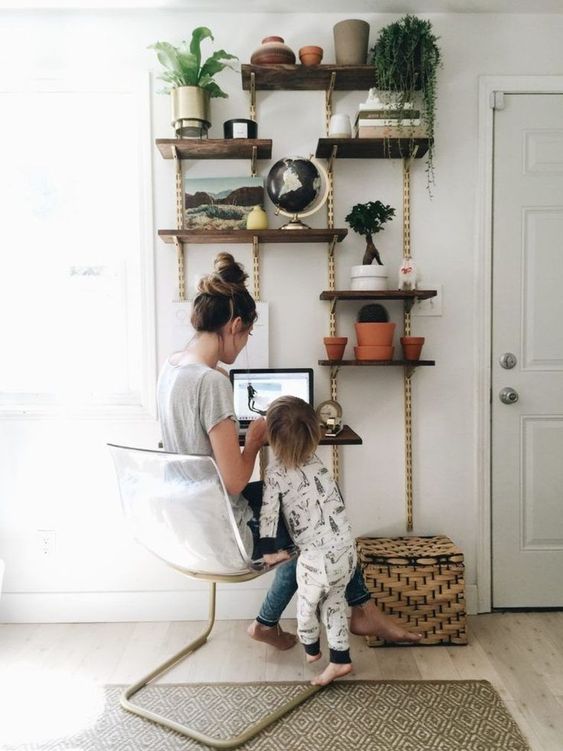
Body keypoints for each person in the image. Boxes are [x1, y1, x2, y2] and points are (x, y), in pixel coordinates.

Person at [157, 251, 422, 652]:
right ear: (235, 325)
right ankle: (336, 613)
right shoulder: (209, 385)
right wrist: (256, 437)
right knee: (319, 510)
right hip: (222, 525)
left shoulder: (173, 366)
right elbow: (234, 480)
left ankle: (351, 610)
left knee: (311, 503)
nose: (244, 344)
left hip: (184, 514)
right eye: (246, 336)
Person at [260, 396, 357, 685]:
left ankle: (311, 648)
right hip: (347, 550)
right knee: (334, 604)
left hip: (316, 558)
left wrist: (269, 550)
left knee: (306, 606)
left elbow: (268, 514)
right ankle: (340, 660)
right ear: (315, 435)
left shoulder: (275, 473)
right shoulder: (318, 464)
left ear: (272, 438)